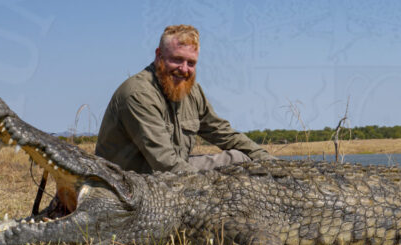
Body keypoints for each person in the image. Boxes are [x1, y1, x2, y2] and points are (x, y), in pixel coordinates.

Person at [96, 25, 273, 173]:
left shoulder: (191, 90)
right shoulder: (138, 94)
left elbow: (222, 132)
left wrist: (272, 162)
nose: (184, 69)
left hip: (171, 172)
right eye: (177, 59)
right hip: (132, 183)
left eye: (191, 63)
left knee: (242, 159)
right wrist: (211, 186)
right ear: (159, 55)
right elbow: (165, 164)